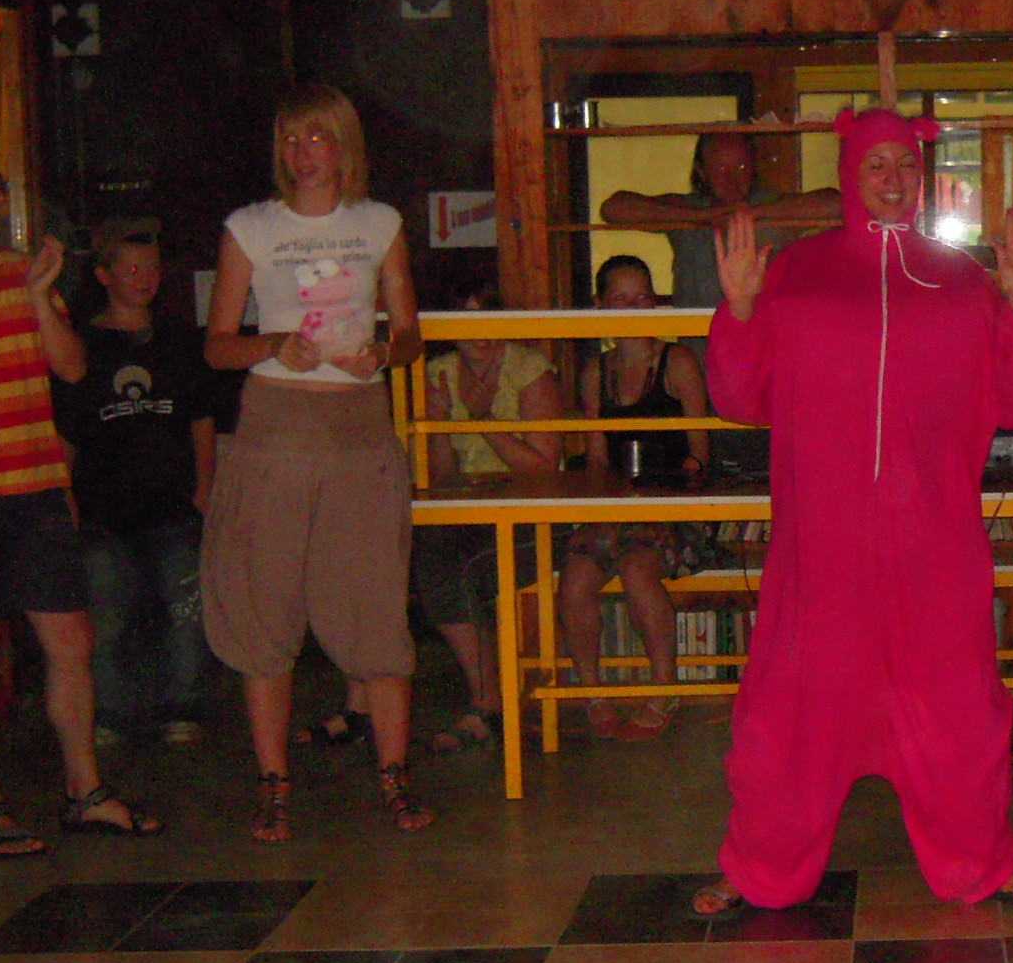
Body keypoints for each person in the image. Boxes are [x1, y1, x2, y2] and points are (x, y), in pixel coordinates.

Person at [690, 107, 1013, 918]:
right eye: (877, 165)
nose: (894, 180)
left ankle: (981, 862)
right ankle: (758, 866)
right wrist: (741, 311)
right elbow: (739, 398)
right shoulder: (799, 272)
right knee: (787, 719)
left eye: (906, 165)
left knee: (961, 716)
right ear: (849, 174)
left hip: (936, 550)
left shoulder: (961, 280)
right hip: (822, 555)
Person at [201, 83, 430, 842]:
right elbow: (217, 345)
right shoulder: (250, 228)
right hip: (275, 432)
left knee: (375, 605)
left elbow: (410, 334)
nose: (302, 153)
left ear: (343, 145)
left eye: (316, 137)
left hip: (359, 432)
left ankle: (394, 776)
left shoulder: (379, 223)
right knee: (264, 609)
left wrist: (382, 355)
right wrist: (272, 345)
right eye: (291, 139)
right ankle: (273, 784)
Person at [0, 171, 163, 857]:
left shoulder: (22, 275)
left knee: (71, 642)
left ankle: (84, 792)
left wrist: (39, 295)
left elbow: (68, 369)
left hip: (34, 488)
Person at [53, 216, 218, 748]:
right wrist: (64, 497)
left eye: (151, 268)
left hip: (172, 502)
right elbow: (68, 430)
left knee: (185, 609)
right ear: (104, 275)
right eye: (131, 269)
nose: (144, 278)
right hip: (103, 506)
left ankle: (184, 705)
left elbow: (201, 418)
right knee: (105, 616)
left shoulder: (176, 339)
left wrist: (205, 485)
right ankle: (111, 712)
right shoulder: (83, 343)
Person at [557, 254, 715, 741]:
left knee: (637, 567)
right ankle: (593, 693)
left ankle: (664, 690)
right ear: (601, 305)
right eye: (620, 298)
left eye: (642, 297)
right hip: (616, 507)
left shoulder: (677, 362)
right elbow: (596, 457)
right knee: (576, 574)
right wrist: (607, 507)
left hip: (676, 509)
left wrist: (660, 502)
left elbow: (700, 453)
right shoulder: (594, 373)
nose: (632, 307)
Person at [414, 270, 563, 753]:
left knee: (464, 569)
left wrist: (483, 422)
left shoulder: (528, 367)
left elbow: (544, 468)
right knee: (430, 557)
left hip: (530, 509)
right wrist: (438, 424)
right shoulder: (437, 371)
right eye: (466, 319)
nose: (480, 331)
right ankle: (487, 697)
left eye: (489, 316)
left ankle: (487, 703)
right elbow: (440, 476)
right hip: (469, 507)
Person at [599, 129, 841, 308]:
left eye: (742, 168)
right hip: (698, 347)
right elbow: (613, 209)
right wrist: (698, 217)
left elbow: (836, 204)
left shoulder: (774, 206)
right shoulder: (687, 208)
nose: (732, 180)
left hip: (763, 347)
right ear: (702, 172)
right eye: (721, 169)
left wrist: (755, 214)